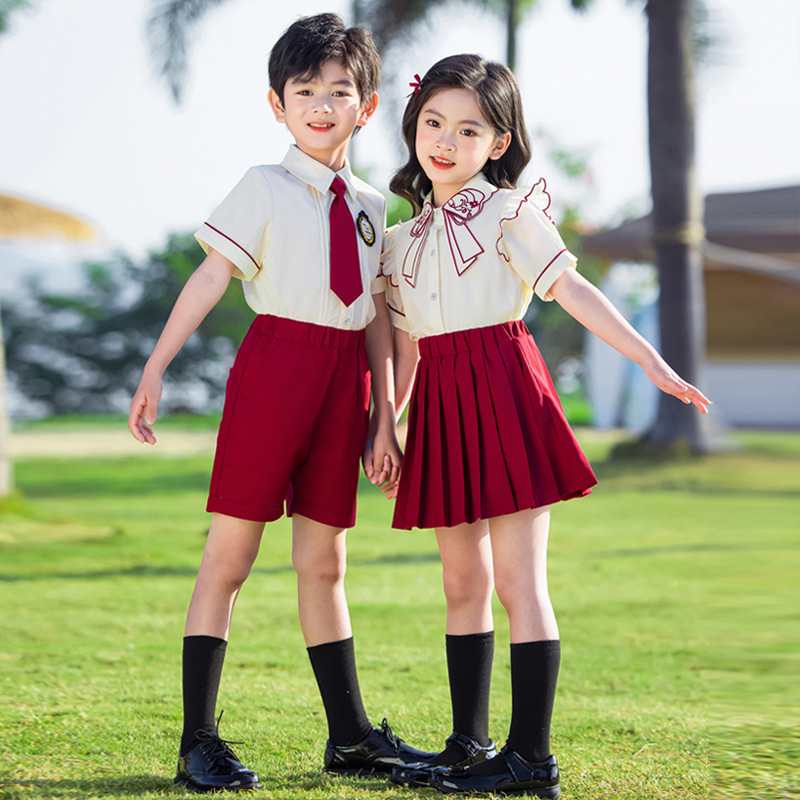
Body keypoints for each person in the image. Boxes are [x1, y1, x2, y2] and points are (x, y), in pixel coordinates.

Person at [375, 54, 710, 799]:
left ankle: (531, 758)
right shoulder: (399, 242)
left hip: (504, 386)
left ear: (498, 144)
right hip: (440, 401)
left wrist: (650, 360)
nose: (445, 141)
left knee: (519, 580)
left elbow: (573, 289)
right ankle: (470, 743)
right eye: (434, 122)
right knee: (461, 580)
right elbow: (402, 349)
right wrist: (383, 426)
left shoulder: (509, 212)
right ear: (413, 125)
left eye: (468, 130)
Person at [128, 14, 435, 793]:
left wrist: (384, 418)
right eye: (306, 91)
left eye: (340, 91)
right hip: (275, 371)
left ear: (367, 108)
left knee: (324, 563)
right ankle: (199, 740)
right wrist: (157, 366)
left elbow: (375, 322)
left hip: (346, 383)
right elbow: (209, 278)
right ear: (278, 104)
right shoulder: (262, 186)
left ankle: (351, 737)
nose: (323, 104)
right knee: (229, 557)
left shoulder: (375, 209)